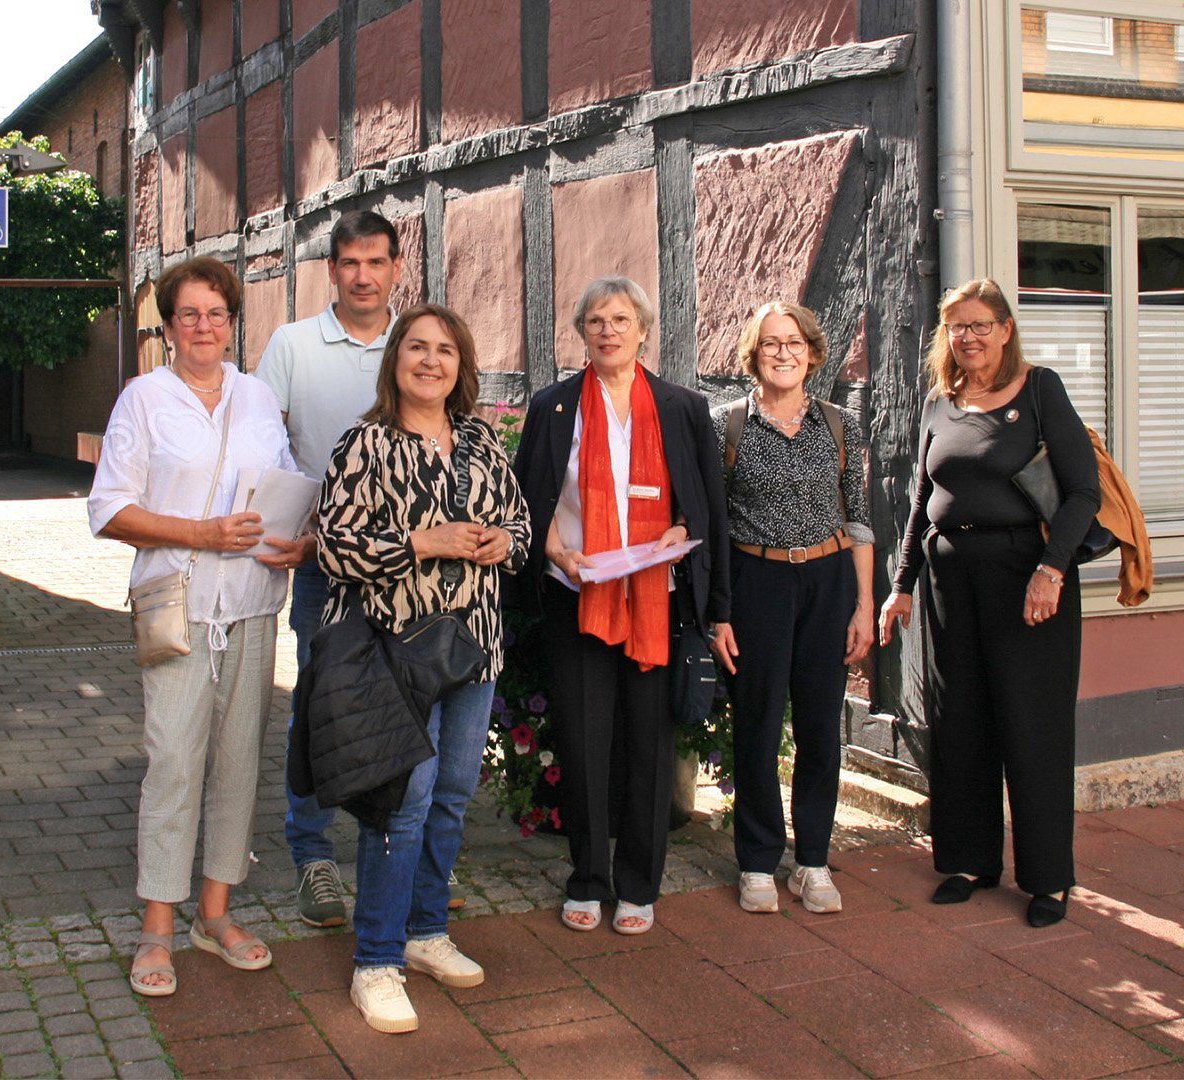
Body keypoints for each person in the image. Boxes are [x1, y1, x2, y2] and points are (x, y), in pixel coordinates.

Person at [88, 256, 304, 995]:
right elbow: (110, 509)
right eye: (190, 314)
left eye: (216, 314)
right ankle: (157, 926)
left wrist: (297, 539)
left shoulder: (257, 397)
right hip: (179, 606)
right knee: (174, 761)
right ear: (170, 326)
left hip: (252, 604)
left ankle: (215, 914)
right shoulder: (144, 400)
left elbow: (282, 485)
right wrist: (200, 534)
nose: (204, 327)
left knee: (239, 761)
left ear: (233, 323)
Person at [315, 304, 530, 1033]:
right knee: (403, 800)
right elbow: (334, 549)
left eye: (445, 350)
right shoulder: (365, 443)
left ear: (460, 366)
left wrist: (504, 542)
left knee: (453, 793)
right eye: (417, 347)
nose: (431, 360)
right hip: (393, 654)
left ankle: (425, 929)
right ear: (396, 360)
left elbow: (521, 524)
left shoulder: (480, 440)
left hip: (475, 647)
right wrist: (422, 542)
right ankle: (376, 960)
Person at [878, 278, 1100, 929]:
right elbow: (922, 502)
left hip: (1026, 576)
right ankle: (969, 861)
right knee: (960, 721)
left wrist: (1051, 569)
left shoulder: (1039, 390)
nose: (968, 337)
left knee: (1033, 725)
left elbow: (1083, 493)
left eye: (980, 325)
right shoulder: (939, 403)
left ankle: (1047, 879)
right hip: (951, 581)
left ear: (1005, 329)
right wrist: (902, 584)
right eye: (957, 327)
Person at [514, 276, 731, 937]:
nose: (608, 331)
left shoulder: (681, 407)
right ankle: (587, 878)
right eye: (595, 321)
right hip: (576, 594)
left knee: (649, 746)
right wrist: (552, 549)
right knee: (582, 745)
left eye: (620, 320)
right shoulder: (553, 407)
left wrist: (682, 530)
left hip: (655, 599)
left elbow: (707, 508)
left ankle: (638, 885)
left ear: (643, 331)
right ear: (581, 333)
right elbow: (526, 499)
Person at [257, 209, 440, 929]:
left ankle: (394, 858)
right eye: (350, 263)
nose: (363, 276)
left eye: (376, 262)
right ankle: (312, 856)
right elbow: (263, 444)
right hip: (324, 565)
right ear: (331, 270)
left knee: (407, 708)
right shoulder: (292, 345)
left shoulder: (418, 341)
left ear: (397, 267)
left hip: (418, 572)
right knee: (322, 706)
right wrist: (297, 530)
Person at [718, 301, 875, 915]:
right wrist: (719, 612)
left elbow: (858, 519)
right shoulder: (727, 426)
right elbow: (711, 525)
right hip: (756, 582)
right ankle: (758, 862)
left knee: (819, 726)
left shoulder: (839, 425)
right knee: (757, 725)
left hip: (827, 582)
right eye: (770, 343)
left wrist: (863, 606)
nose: (782, 353)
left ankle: (812, 860)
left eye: (793, 343)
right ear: (753, 355)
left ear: (811, 353)